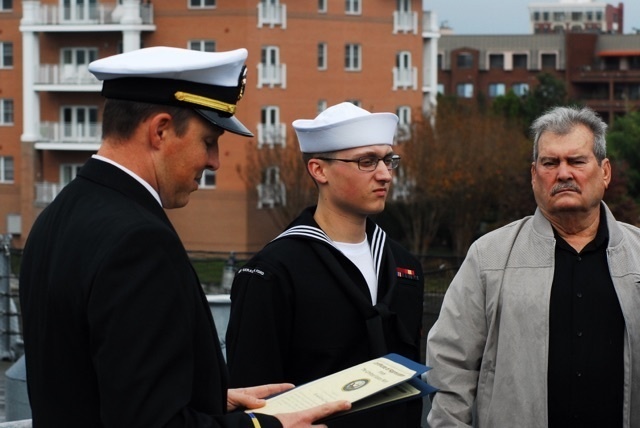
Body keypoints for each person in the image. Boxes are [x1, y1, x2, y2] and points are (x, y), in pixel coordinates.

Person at [19, 46, 349, 428]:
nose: (215, 162)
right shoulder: (138, 241)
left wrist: (207, 395)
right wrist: (268, 426)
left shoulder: (61, 214)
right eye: (208, 141)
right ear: (160, 130)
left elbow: (93, 382)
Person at [425, 106, 640, 427]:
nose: (563, 173)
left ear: (605, 172)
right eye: (550, 163)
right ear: (534, 175)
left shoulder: (637, 254)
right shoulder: (490, 257)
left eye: (577, 161)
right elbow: (450, 362)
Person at [225, 102, 426, 427]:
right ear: (319, 170)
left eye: (389, 160)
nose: (385, 174)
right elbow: (250, 391)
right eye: (367, 161)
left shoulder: (404, 266)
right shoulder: (273, 271)